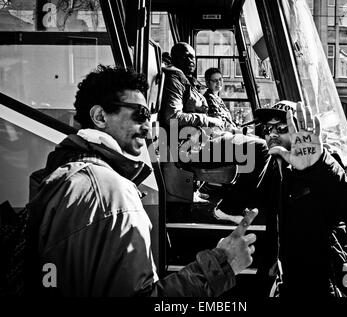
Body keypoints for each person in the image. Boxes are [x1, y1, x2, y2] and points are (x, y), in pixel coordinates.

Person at [24, 65, 258, 297]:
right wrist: (221, 264)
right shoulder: (114, 194)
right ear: (99, 116)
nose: (148, 128)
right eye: (140, 115)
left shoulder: (60, 173)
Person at [254, 100, 347, 297]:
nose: (272, 134)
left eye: (282, 127)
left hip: (329, 288)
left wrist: (318, 166)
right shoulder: (271, 171)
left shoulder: (327, 166)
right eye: (267, 128)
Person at [160, 42, 271, 217]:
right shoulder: (175, 77)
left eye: (193, 56)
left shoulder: (187, 81)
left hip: (202, 139)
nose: (191, 60)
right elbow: (172, 116)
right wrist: (208, 120)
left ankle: (245, 203)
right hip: (189, 147)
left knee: (260, 145)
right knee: (260, 148)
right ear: (174, 58)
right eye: (186, 55)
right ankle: (228, 209)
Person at [203, 68, 240, 133]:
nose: (219, 82)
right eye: (215, 80)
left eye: (220, 79)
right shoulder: (208, 99)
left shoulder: (218, 99)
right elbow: (220, 123)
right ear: (207, 83)